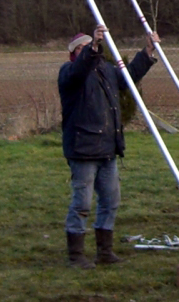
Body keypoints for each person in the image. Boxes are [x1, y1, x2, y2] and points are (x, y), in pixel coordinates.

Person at [58, 22, 158, 268]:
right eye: (82, 49)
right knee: (81, 203)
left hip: (107, 149)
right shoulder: (68, 73)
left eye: (90, 47)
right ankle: (76, 255)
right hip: (83, 149)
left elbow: (129, 76)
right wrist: (93, 46)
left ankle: (104, 251)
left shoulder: (107, 71)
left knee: (111, 200)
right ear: (75, 53)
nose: (89, 52)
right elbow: (80, 70)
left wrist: (147, 52)